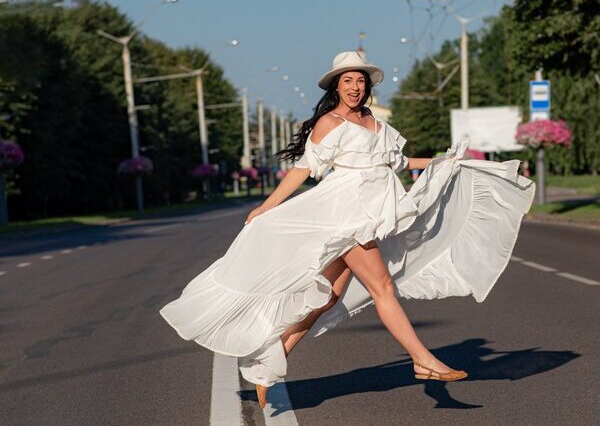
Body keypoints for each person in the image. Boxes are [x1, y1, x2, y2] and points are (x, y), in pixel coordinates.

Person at [160, 51, 535, 409]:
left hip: (367, 216)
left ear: (367, 86)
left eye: (359, 80)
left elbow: (399, 162)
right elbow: (304, 168)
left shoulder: (378, 125)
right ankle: (423, 360)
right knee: (383, 288)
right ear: (335, 87)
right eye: (347, 81)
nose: (354, 87)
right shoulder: (331, 124)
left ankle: (266, 365)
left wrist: (444, 161)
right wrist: (267, 206)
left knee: (327, 299)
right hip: (346, 217)